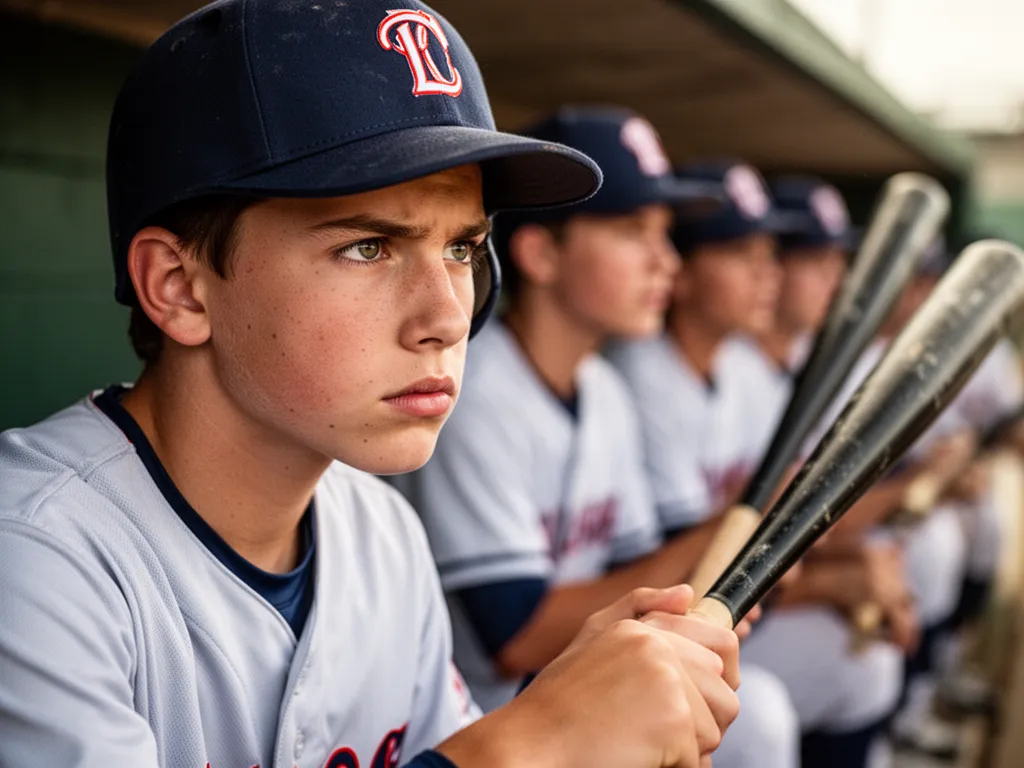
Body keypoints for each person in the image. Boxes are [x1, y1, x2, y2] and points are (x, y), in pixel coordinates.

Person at [0, 3, 742, 767]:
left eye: (462, 247)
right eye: (368, 247)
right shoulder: (32, 559)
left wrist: (585, 705)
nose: (449, 318)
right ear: (181, 288)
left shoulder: (382, 534)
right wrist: (537, 740)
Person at [397, 111, 797, 768]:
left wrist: (696, 599)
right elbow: (517, 639)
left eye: (666, 234)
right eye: (631, 230)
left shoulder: (604, 389)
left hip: (571, 694)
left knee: (742, 720)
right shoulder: (475, 389)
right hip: (481, 727)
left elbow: (637, 567)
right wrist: (723, 532)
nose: (665, 261)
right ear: (541, 253)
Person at [611, 170, 906, 768]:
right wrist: (831, 580)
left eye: (771, 252)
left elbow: (781, 531)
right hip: (649, 639)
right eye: (740, 251)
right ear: (686, 273)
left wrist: (848, 565)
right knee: (766, 716)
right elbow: (697, 583)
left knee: (874, 649)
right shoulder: (639, 375)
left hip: (717, 628)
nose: (767, 272)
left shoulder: (742, 372)